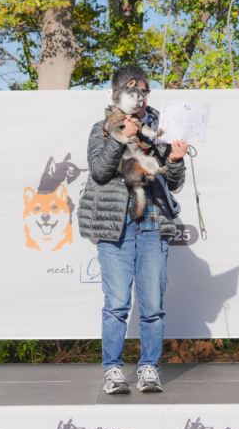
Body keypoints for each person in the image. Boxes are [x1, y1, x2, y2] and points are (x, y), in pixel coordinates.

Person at [77, 65, 188, 394]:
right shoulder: (102, 129)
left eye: (144, 91)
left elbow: (173, 184)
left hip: (153, 225)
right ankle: (112, 370)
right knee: (117, 304)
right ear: (116, 94)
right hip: (116, 228)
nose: (139, 97)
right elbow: (100, 172)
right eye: (132, 91)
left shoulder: (161, 131)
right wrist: (120, 136)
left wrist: (175, 160)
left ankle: (149, 368)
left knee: (152, 306)